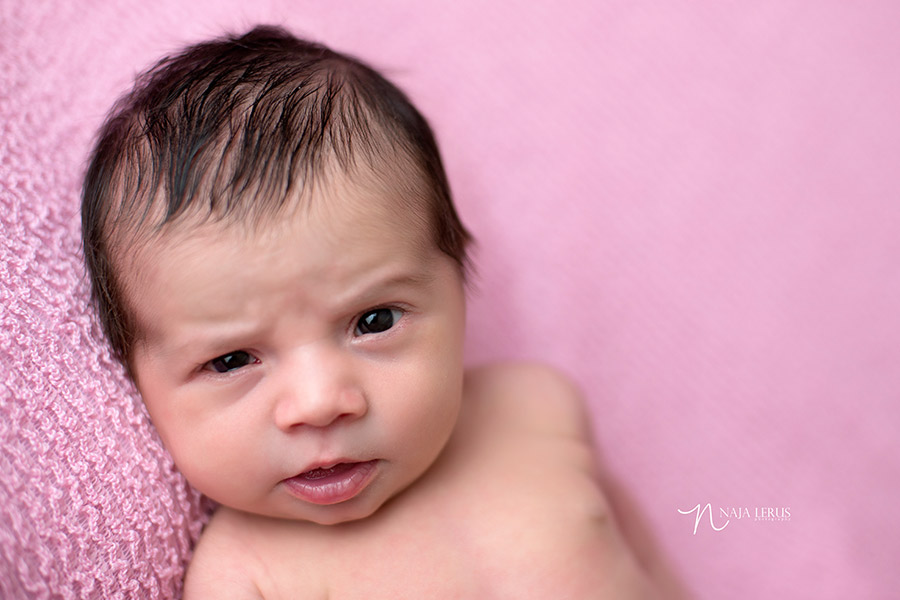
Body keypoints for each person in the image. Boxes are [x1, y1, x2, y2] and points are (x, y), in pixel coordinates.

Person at [82, 25, 655, 598]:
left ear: (456, 282)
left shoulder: (536, 409)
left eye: (373, 321)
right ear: (135, 377)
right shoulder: (247, 575)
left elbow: (643, 562)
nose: (320, 403)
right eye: (232, 359)